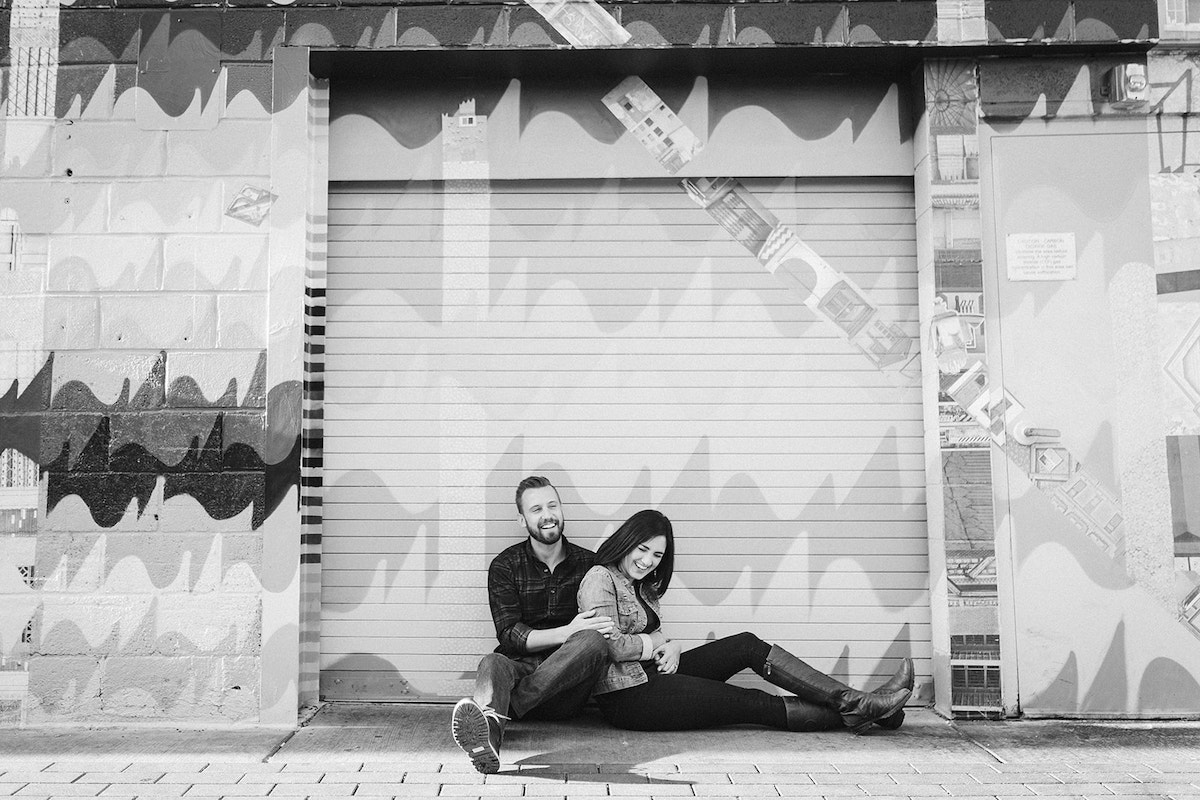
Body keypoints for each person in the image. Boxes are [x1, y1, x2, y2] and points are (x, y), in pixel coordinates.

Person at [577, 509, 914, 734]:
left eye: (657, 555)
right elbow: (611, 647)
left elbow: (656, 635)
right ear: (626, 541)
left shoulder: (643, 587)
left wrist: (672, 645)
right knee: (748, 701)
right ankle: (865, 708)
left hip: (655, 675)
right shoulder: (599, 578)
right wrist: (655, 644)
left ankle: (860, 704)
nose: (648, 561)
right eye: (643, 549)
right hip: (629, 697)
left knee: (745, 644)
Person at [450, 476, 614, 774]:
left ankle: (504, 709)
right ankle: (488, 740)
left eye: (552, 505)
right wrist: (566, 632)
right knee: (493, 661)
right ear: (522, 519)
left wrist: (659, 639)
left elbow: (613, 620)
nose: (547, 514)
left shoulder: (591, 565)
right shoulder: (505, 566)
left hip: (566, 687)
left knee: (593, 641)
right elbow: (510, 634)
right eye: (536, 509)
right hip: (517, 668)